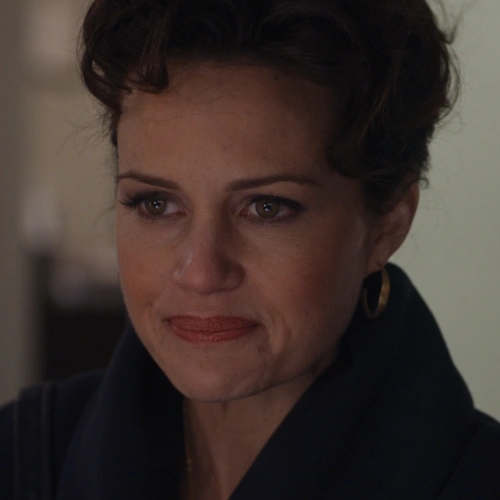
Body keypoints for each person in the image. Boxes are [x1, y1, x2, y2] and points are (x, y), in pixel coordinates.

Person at [2, 0, 500, 498]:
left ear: (388, 226)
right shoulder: (22, 460)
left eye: (266, 208)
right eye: (156, 203)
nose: (200, 272)